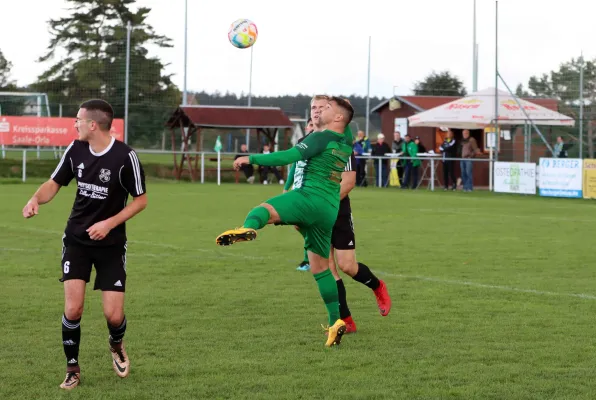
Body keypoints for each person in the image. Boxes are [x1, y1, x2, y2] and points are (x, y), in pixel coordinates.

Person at [21, 99, 148, 390]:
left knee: (113, 315)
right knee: (73, 309)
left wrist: (108, 224)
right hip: (76, 240)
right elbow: (54, 183)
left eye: (78, 119)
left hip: (111, 244)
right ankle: (72, 369)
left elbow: (141, 200)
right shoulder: (76, 149)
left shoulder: (125, 157)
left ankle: (116, 344)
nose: (74, 124)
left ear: (93, 124)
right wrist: (34, 199)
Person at [216, 97, 355, 347]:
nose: (320, 111)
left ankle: (248, 228)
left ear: (337, 118)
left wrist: (251, 159)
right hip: (329, 209)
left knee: (262, 210)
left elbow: (288, 155)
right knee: (321, 267)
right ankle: (336, 322)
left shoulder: (319, 138)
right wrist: (336, 106)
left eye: (327, 108)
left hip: (308, 197)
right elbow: (347, 117)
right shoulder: (346, 140)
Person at [284, 116, 316, 271]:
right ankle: (313, 252)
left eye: (313, 125)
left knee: (304, 224)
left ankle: (308, 260)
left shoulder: (319, 145)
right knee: (298, 225)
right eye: (309, 125)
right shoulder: (301, 144)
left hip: (311, 191)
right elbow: (295, 166)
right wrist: (287, 187)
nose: (311, 127)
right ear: (306, 128)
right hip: (298, 189)